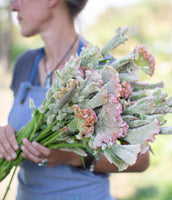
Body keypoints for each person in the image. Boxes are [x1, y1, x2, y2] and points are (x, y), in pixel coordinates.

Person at [0, 0, 150, 199]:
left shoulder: (106, 70)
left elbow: (141, 159)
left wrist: (72, 157)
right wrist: (5, 138)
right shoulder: (25, 64)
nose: (14, 7)